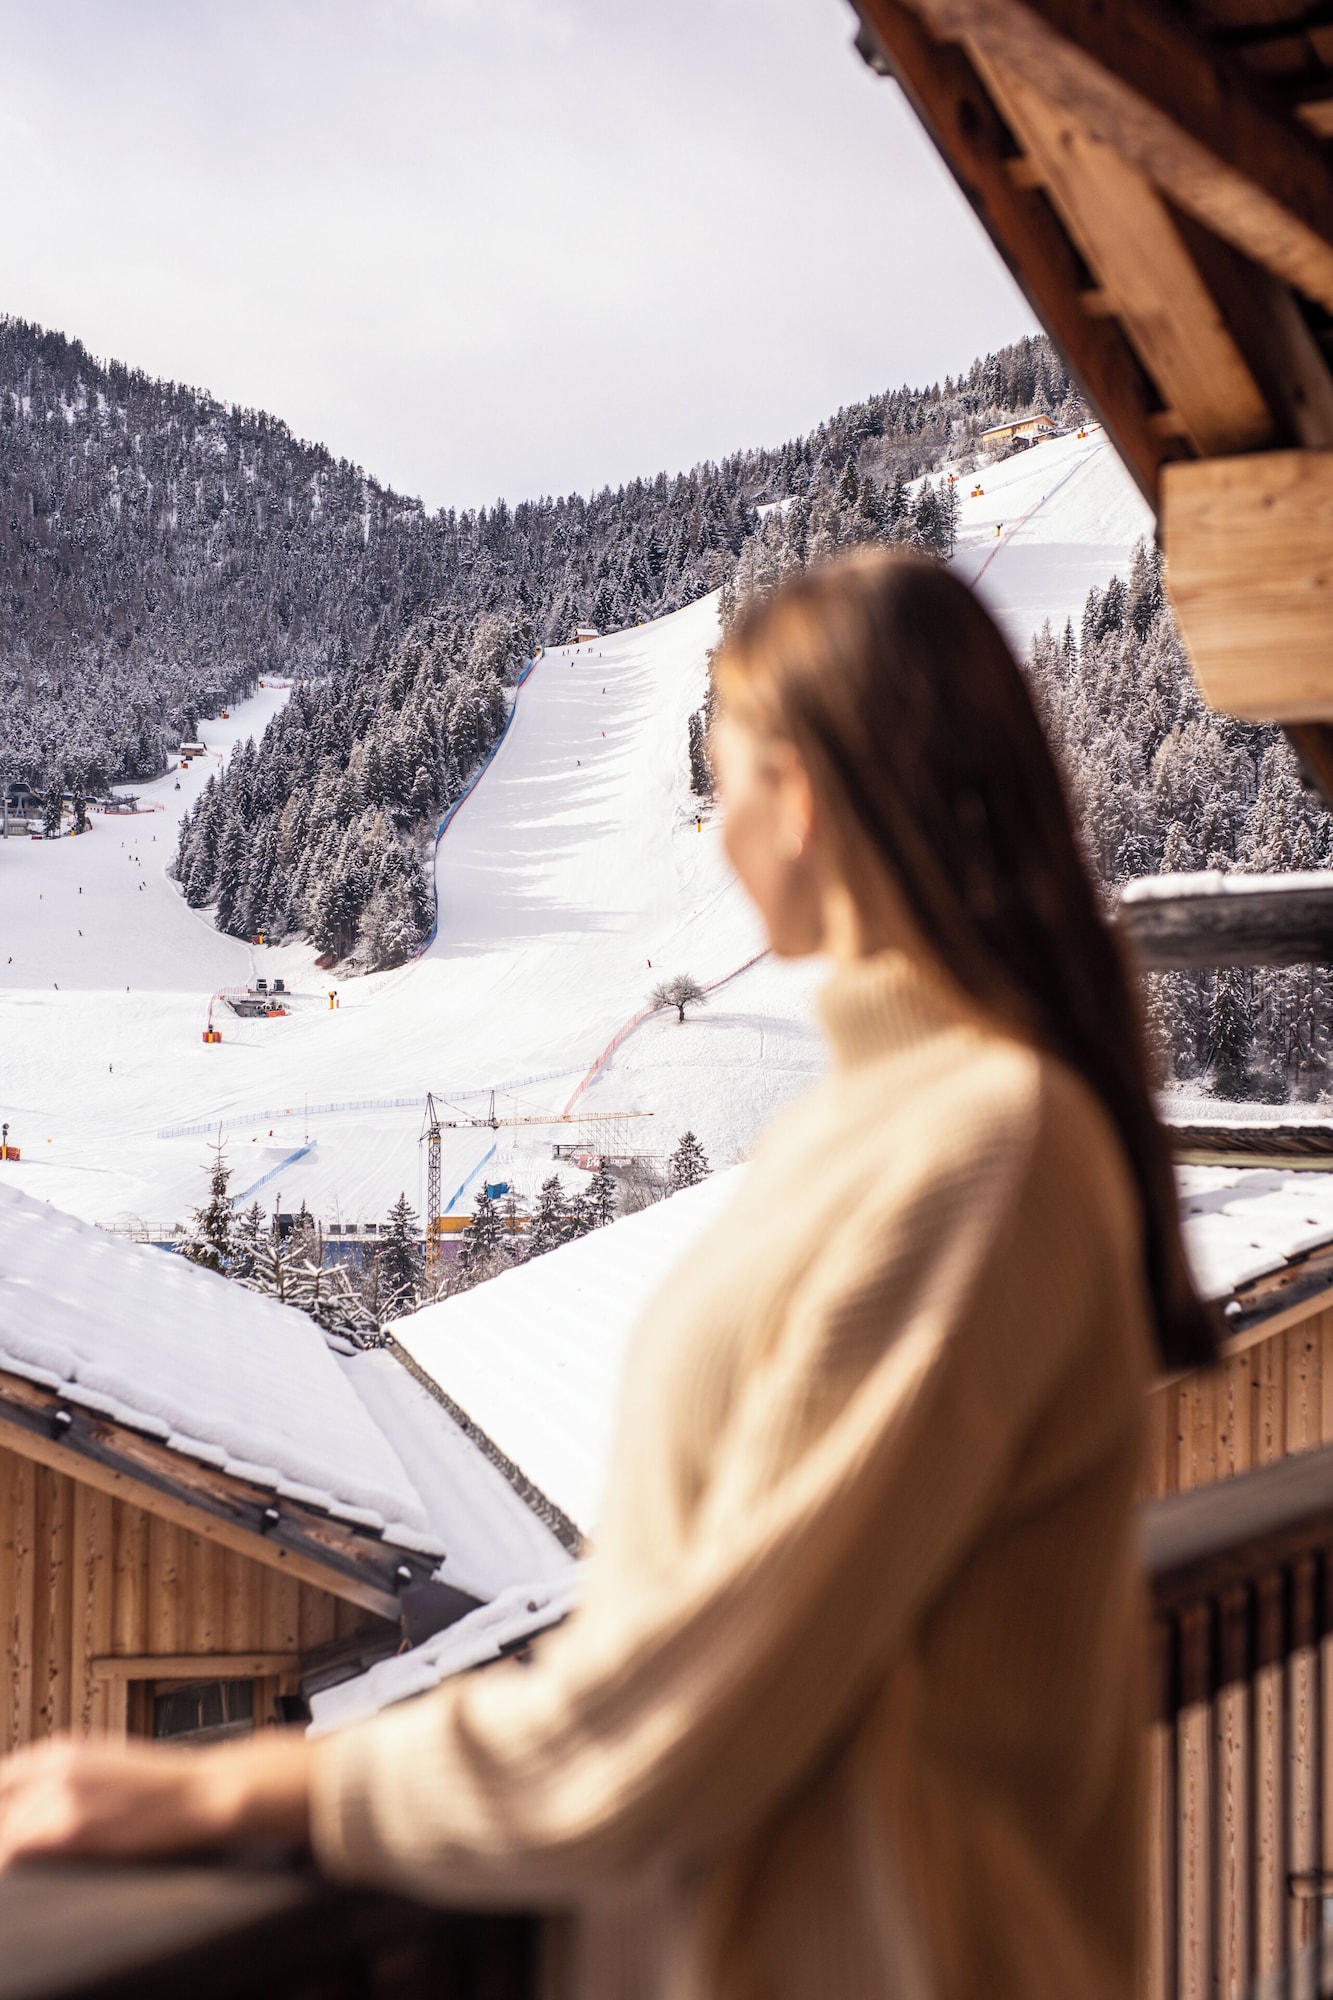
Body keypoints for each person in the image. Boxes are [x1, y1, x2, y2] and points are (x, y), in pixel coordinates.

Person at [0, 550, 1214, 2000]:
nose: (720, 835)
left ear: (808, 796)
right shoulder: (895, 1131)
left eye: (730, 779)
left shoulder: (981, 1155)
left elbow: (688, 1700)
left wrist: (238, 1794)